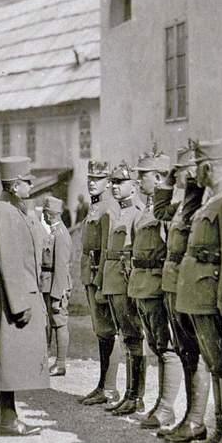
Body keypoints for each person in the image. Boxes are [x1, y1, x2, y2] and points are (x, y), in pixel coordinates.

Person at [176, 140, 222, 443]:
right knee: (215, 363)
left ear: (207, 167)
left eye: (198, 169)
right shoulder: (213, 199)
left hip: (212, 293)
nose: (195, 175)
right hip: (199, 293)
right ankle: (220, 431)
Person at [0, 156, 49, 436]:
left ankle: (2, 416)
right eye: (27, 181)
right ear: (15, 186)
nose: (31, 185)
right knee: (8, 357)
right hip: (9, 294)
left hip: (3, 291)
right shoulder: (6, 213)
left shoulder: (6, 208)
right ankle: (9, 421)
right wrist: (20, 304)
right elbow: (11, 261)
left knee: (4, 355)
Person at [153, 145, 212, 443]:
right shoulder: (187, 203)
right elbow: (159, 210)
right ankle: (191, 418)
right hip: (174, 284)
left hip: (191, 285)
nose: (178, 175)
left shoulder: (205, 203)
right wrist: (167, 180)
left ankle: (196, 420)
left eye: (182, 169)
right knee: (187, 352)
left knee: (197, 355)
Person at [128, 151, 180, 431]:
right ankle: (161, 404)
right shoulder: (147, 208)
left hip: (158, 284)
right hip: (142, 284)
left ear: (159, 177)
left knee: (167, 347)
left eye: (142, 175)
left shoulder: (166, 209)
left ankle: (167, 407)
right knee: (156, 346)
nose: (138, 180)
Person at [96, 161, 146, 417]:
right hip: (114, 280)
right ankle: (129, 394)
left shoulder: (138, 212)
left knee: (134, 338)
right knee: (127, 338)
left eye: (120, 183)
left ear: (134, 186)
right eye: (113, 182)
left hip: (127, 282)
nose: (114, 187)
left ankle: (136, 397)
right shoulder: (117, 212)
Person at [77, 160, 121, 407]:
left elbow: (107, 248)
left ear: (108, 182)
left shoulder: (108, 209)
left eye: (98, 179)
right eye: (90, 178)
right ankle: (103, 385)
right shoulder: (94, 208)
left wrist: (102, 280)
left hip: (99, 273)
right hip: (89, 273)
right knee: (100, 331)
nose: (92, 182)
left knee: (107, 331)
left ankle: (110, 387)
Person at [40, 196, 72, 377]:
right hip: (47, 283)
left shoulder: (60, 234)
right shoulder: (53, 232)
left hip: (55, 284)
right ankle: (45, 360)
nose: (43, 216)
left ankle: (60, 364)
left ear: (50, 214)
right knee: (49, 323)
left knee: (59, 323)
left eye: (45, 212)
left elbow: (60, 267)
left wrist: (56, 295)